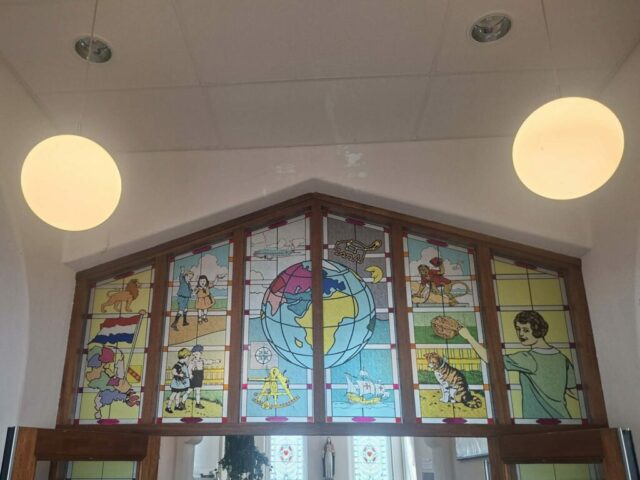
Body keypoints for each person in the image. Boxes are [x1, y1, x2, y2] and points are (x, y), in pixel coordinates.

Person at [458, 310, 577, 419]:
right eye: (518, 329)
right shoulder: (561, 357)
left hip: (539, 420)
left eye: (526, 330)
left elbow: (492, 360)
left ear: (537, 329)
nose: (521, 334)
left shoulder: (528, 358)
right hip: (563, 417)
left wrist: (469, 337)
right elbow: (572, 391)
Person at [188, 344, 220, 409]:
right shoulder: (192, 361)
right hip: (194, 377)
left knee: (198, 391)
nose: (197, 355)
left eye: (198, 353)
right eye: (195, 354)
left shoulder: (202, 360)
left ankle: (197, 403)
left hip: (199, 377)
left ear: (201, 353)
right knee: (189, 390)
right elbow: (189, 368)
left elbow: (208, 361)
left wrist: (216, 361)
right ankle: (182, 402)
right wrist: (190, 374)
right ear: (193, 354)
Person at [165, 348, 192, 414]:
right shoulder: (178, 365)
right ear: (184, 356)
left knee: (178, 394)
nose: (188, 358)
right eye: (188, 357)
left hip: (181, 383)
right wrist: (179, 374)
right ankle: (168, 407)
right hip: (177, 382)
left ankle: (177, 406)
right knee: (174, 394)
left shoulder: (184, 364)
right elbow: (173, 371)